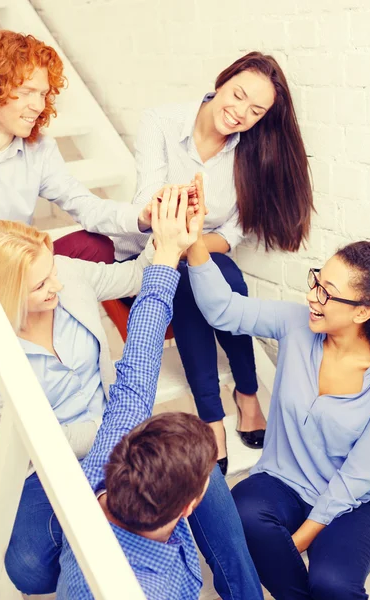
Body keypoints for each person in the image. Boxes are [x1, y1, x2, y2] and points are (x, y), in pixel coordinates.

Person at [114, 51, 314, 474]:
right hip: (159, 249)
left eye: (256, 110)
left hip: (206, 253)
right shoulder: (162, 122)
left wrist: (198, 240)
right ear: (221, 82)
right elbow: (144, 203)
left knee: (213, 274)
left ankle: (220, 413)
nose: (241, 113)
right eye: (238, 95)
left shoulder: (253, 149)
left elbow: (238, 230)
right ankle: (237, 401)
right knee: (200, 279)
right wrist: (181, 226)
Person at [0, 29, 154, 458]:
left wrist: (143, 217)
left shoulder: (39, 149)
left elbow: (82, 203)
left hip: (21, 271)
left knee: (95, 246)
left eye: (43, 94)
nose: (38, 105)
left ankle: (91, 342)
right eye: (26, 91)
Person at [187, 234, 370, 599]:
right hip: (281, 481)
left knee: (332, 584)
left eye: (326, 292)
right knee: (244, 511)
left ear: (362, 311)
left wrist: (298, 538)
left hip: (352, 503)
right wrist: (192, 239)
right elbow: (222, 309)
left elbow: (358, 475)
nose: (311, 295)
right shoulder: (296, 324)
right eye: (316, 280)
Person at [0, 219, 154, 592]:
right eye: (41, 285)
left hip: (110, 432)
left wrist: (165, 231)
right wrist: (116, 427)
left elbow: (136, 275)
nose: (58, 285)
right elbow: (45, 441)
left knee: (119, 519)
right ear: (5, 293)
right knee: (29, 568)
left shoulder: (61, 271)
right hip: (38, 462)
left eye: (51, 271)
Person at [56, 184, 220, 599]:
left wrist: (168, 250)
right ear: (187, 509)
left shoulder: (100, 470)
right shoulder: (153, 591)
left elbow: (138, 371)